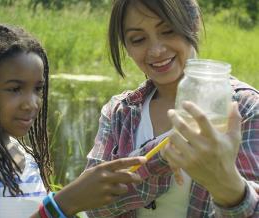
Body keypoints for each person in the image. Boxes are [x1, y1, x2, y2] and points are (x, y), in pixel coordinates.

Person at [0, 23, 147, 218]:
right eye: (14, 89)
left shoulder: (26, 157)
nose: (31, 103)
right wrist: (65, 202)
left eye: (38, 89)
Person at [84, 0, 259, 217]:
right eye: (138, 39)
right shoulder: (119, 113)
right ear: (126, 46)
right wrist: (162, 154)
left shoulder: (243, 108)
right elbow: (91, 204)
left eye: (168, 31)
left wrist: (230, 190)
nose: (156, 50)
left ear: (193, 24)